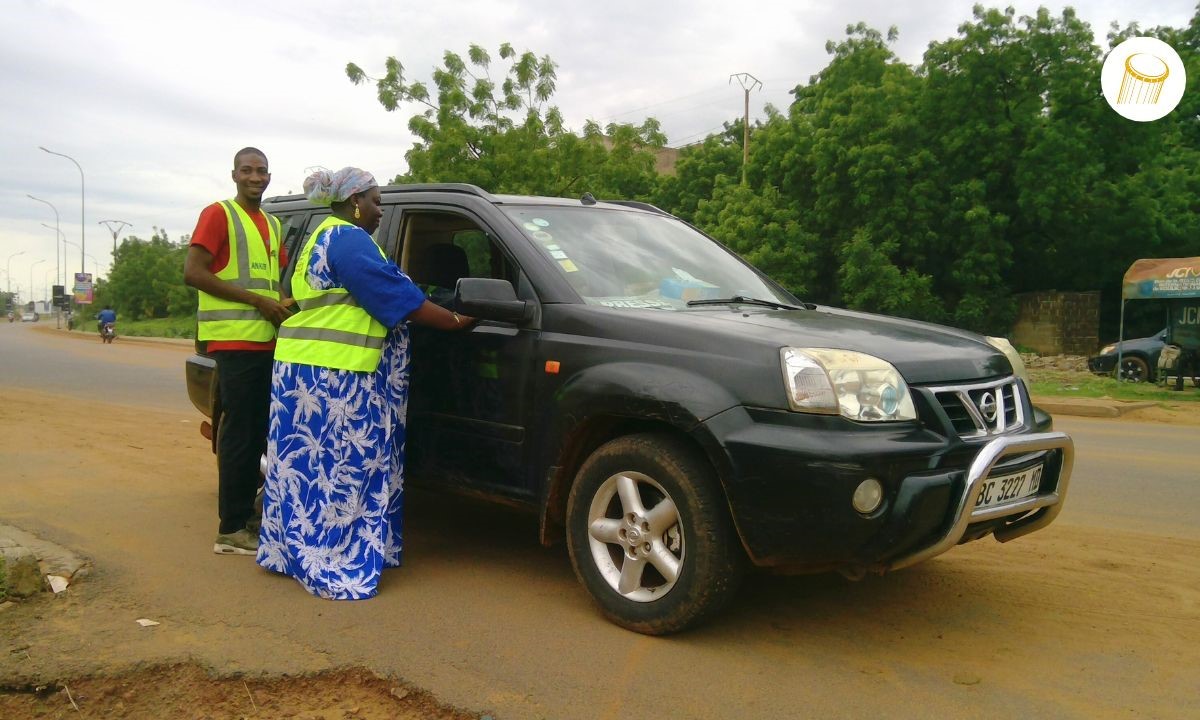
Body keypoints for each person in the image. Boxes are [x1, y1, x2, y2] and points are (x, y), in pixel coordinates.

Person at [257, 167, 473, 600]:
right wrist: (452, 320)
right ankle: (332, 558)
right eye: (376, 201)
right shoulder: (349, 240)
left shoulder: (324, 235)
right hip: (336, 379)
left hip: (310, 373)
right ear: (355, 201)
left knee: (307, 471)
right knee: (344, 470)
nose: (380, 210)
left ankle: (291, 549)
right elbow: (394, 295)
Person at [184, 147, 292, 556]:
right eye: (247, 170)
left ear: (269, 176)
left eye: (261, 171)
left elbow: (275, 285)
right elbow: (193, 272)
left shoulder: (273, 223)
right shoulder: (218, 214)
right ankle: (230, 529)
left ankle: (250, 519)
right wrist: (257, 302)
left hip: (267, 341)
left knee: (261, 434)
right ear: (234, 175)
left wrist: (286, 308)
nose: (255, 177)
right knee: (239, 436)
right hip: (233, 342)